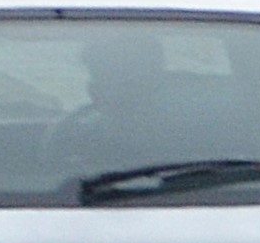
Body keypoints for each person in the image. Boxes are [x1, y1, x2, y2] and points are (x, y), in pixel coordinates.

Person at [46, 32, 169, 167]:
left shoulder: (183, 130)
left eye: (112, 75)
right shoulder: (71, 133)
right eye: (97, 75)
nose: (95, 87)